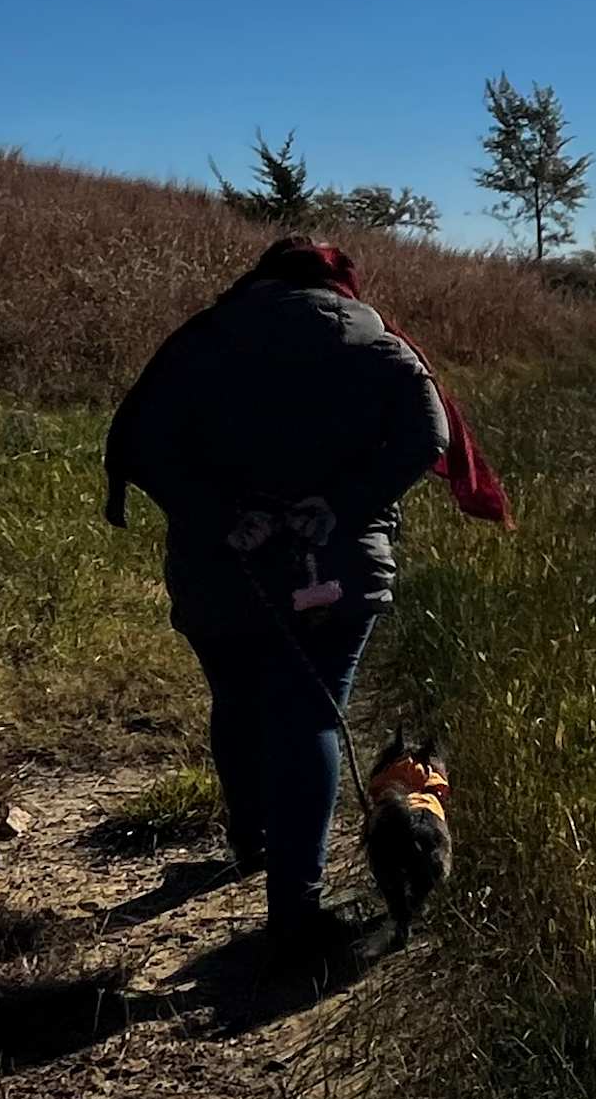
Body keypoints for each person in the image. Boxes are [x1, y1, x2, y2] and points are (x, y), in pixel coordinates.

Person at [103, 236, 457, 953]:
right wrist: (342, 503)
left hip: (217, 570)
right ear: (340, 285)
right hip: (337, 564)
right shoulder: (376, 341)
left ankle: (251, 841)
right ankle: (295, 913)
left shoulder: (201, 339)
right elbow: (432, 434)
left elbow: (135, 443)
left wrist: (223, 518)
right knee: (312, 718)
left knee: (236, 698)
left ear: (261, 280)